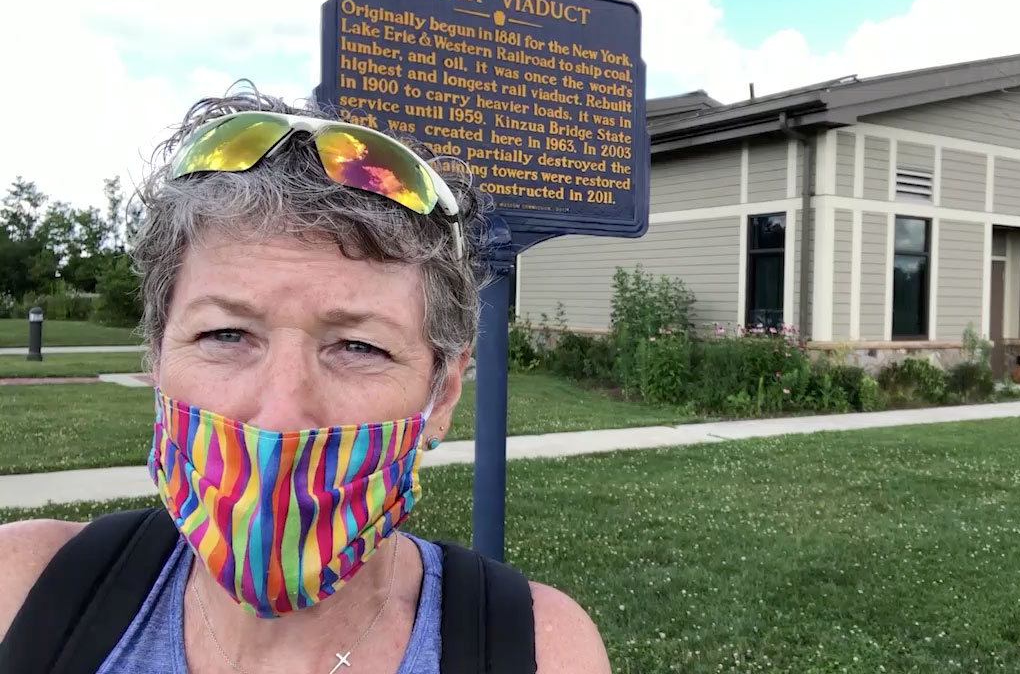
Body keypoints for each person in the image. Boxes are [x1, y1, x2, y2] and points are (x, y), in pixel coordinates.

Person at [0, 87, 611, 673]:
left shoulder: (540, 650)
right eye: (226, 335)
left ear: (442, 393)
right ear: (157, 358)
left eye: (358, 346)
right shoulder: (23, 589)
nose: (282, 416)